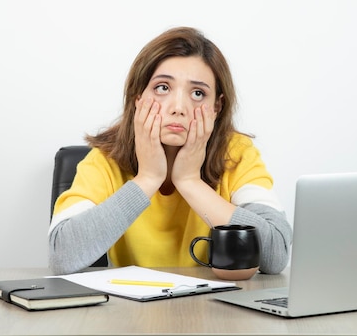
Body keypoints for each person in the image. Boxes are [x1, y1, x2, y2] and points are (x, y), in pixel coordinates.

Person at [48, 27, 292, 275]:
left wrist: (189, 182)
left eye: (198, 93)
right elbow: (61, 256)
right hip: (131, 309)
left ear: (217, 106)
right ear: (137, 97)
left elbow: (276, 253)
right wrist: (148, 178)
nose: (178, 108)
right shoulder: (105, 160)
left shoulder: (237, 154)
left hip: (213, 308)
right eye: (163, 88)